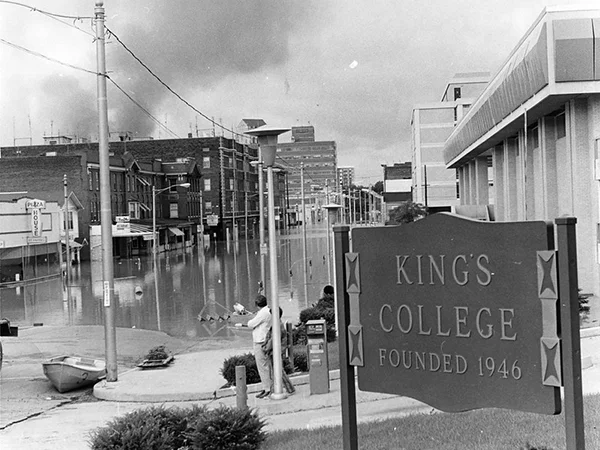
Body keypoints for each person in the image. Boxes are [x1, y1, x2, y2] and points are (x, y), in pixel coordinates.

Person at [262, 307, 295, 395]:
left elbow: (273, 339)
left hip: (276, 351)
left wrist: (266, 348)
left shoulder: (277, 326)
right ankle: (284, 389)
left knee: (278, 371)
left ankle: (289, 389)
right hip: (276, 351)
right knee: (277, 371)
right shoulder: (277, 324)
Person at [247, 294, 272, 399]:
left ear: (257, 304)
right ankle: (267, 387)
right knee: (265, 366)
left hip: (260, 341)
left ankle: (267, 389)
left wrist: (249, 321)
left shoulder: (263, 313)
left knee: (262, 366)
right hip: (263, 340)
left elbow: (251, 324)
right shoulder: (267, 311)